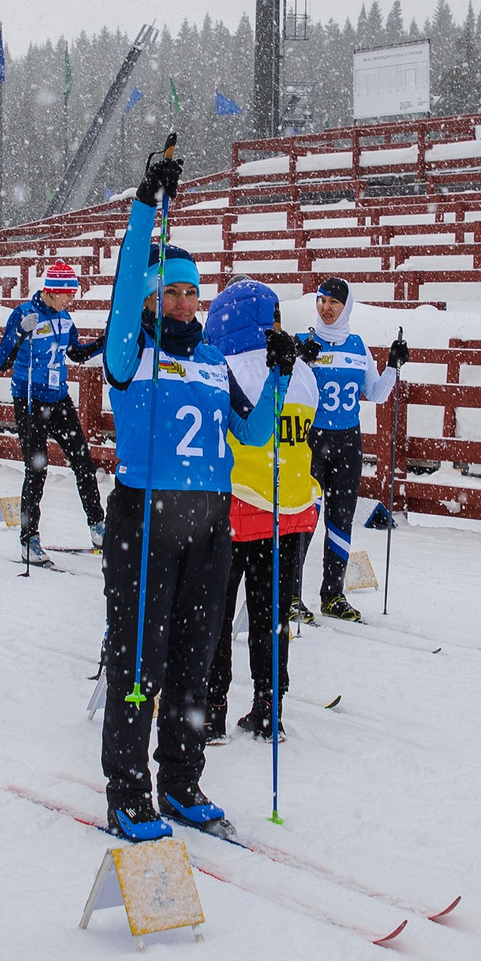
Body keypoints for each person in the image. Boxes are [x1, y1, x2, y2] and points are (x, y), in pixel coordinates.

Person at [97, 144, 288, 839]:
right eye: (170, 291)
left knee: (192, 657)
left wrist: (279, 371)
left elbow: (258, 433)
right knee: (138, 660)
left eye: (190, 292)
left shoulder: (210, 360)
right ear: (151, 297)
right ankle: (127, 787)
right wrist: (146, 202)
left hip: (209, 524)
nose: (182, 301)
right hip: (144, 517)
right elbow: (122, 287)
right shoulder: (129, 349)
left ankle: (181, 778)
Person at [205, 282, 321, 739]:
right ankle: (269, 705)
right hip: (290, 510)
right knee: (270, 615)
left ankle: (211, 708)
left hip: (239, 504)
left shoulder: (225, 368)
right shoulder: (302, 373)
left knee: (216, 613)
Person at [299, 277, 407, 621]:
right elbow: (284, 390)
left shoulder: (358, 347)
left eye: (334, 302)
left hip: (347, 442)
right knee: (303, 518)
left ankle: (333, 594)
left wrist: (393, 366)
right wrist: (298, 361)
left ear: (347, 307)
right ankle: (289, 594)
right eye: (321, 301)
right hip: (310, 441)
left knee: (341, 519)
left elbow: (374, 393)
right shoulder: (304, 342)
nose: (326, 308)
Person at [0, 259, 107, 564]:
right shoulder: (23, 314)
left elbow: (76, 354)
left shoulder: (65, 318)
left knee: (82, 459)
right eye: (67, 294)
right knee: (37, 469)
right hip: (30, 399)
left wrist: (103, 343)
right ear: (51, 292)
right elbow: (1, 361)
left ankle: (98, 526)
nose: (71, 300)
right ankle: (29, 539)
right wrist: (19, 332)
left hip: (59, 399)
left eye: (73, 294)